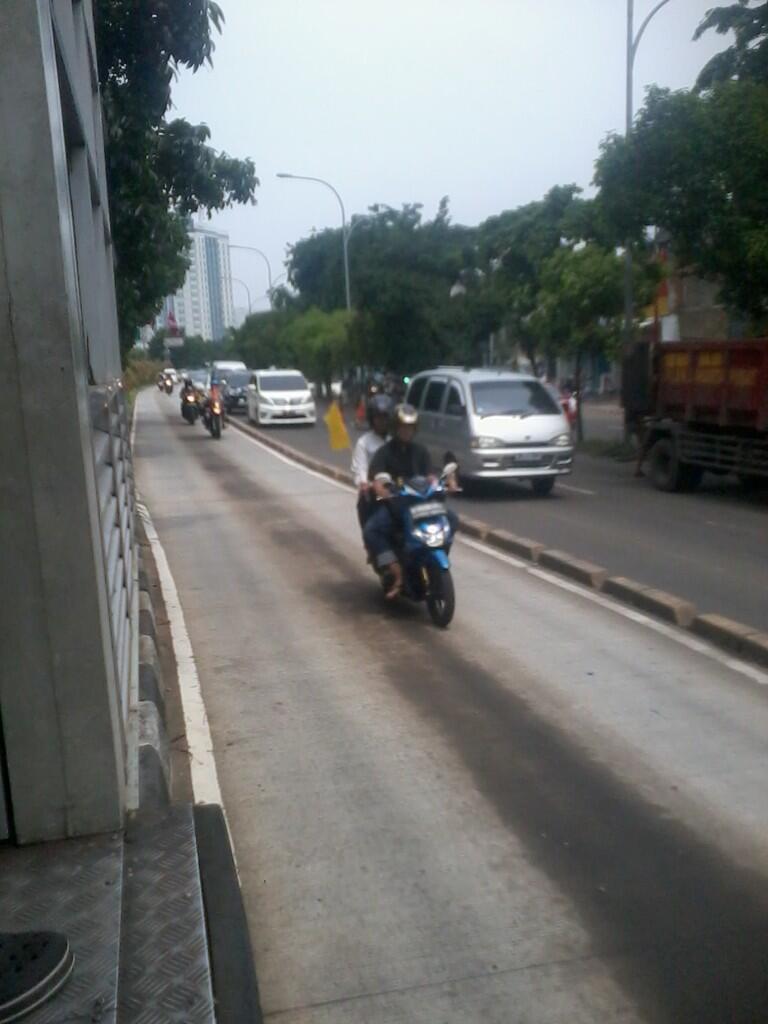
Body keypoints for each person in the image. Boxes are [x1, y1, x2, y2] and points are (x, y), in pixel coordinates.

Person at [364, 403, 458, 598]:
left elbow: (431, 475)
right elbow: (376, 477)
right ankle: (394, 568)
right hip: (396, 507)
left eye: (410, 427)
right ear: (395, 428)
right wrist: (382, 489)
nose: (406, 431)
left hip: (423, 505)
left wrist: (445, 481)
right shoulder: (385, 452)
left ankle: (437, 554)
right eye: (402, 427)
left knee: (453, 518)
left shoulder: (421, 451)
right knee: (371, 530)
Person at [351, 394, 393, 528]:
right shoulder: (364, 443)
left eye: (385, 417)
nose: (382, 421)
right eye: (378, 417)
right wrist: (365, 484)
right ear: (372, 419)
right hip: (374, 495)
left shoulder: (396, 441)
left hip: (398, 493)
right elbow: (361, 470)